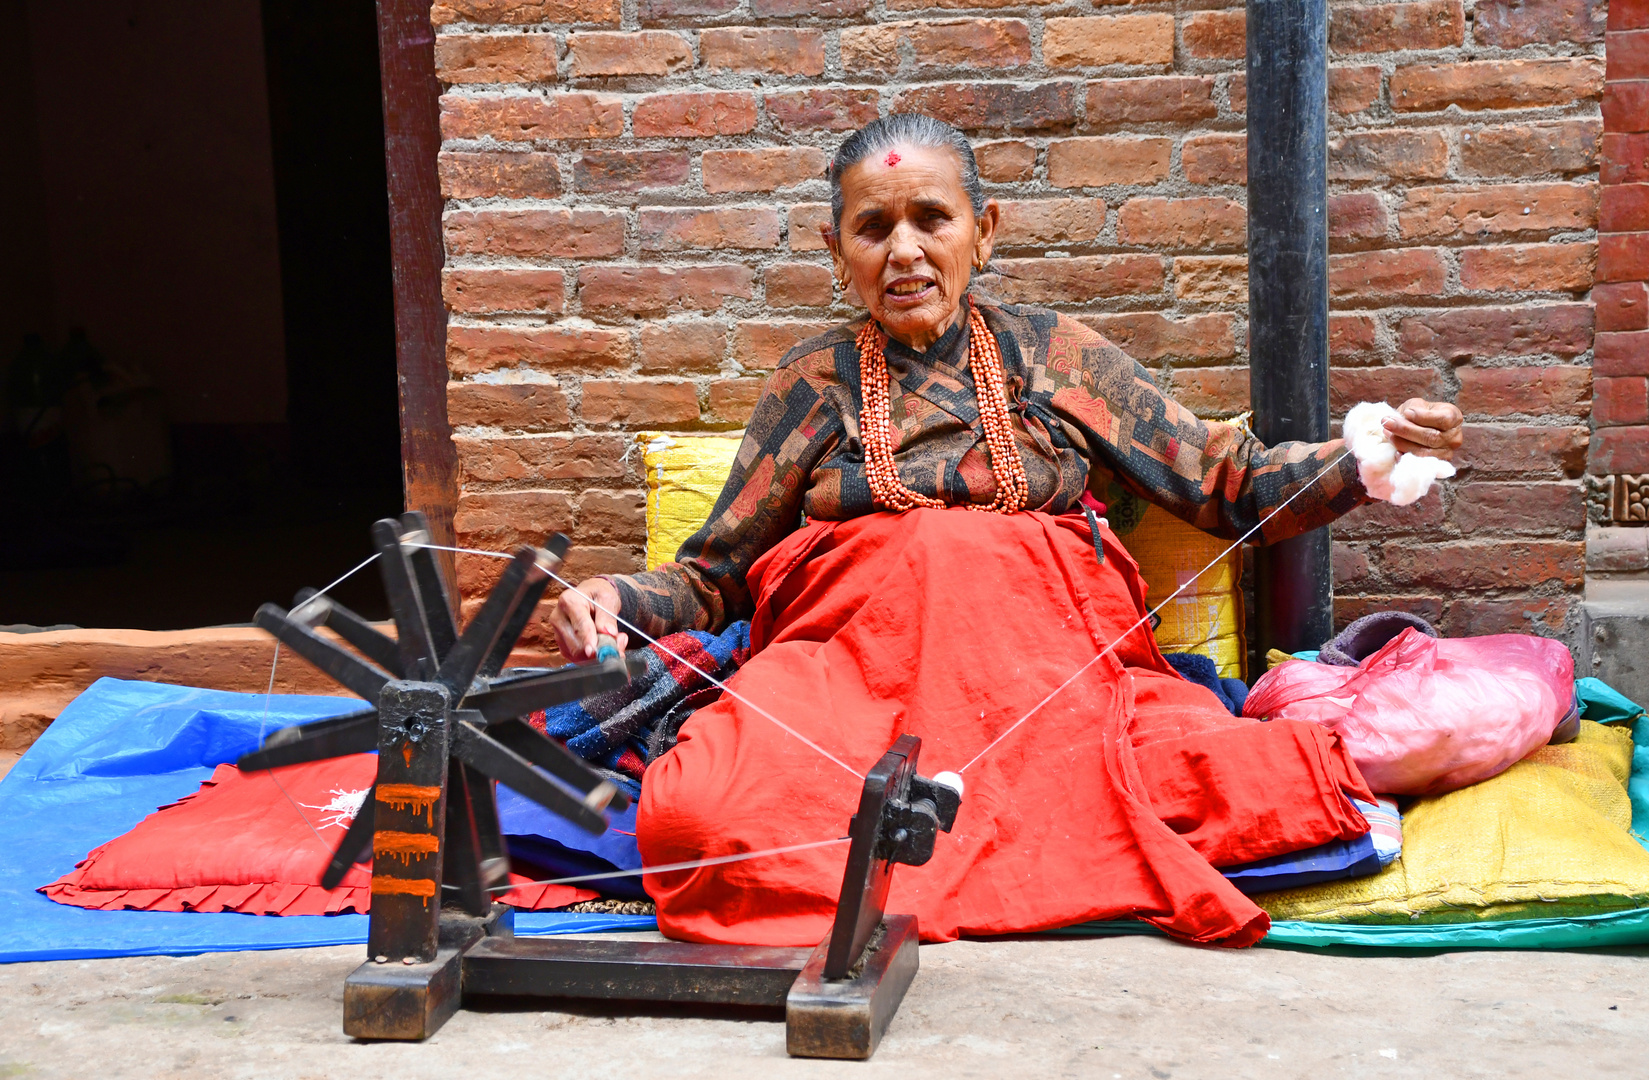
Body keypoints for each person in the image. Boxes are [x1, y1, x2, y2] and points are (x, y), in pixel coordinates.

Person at [551, 114, 1465, 948]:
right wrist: (613, 596)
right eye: (873, 229)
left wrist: (1363, 456)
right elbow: (714, 575)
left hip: (1043, 686)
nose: (903, 250)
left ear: (983, 231)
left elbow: (1225, 480)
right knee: (692, 821)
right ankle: (1017, 863)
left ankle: (946, 858)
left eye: (930, 219)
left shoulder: (1054, 354)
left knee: (1243, 777)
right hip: (846, 682)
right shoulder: (810, 385)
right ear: (837, 251)